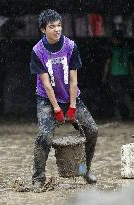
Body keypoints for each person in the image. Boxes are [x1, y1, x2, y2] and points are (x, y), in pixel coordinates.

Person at [30, 9, 98, 192]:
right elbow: (46, 84)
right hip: (46, 99)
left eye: (59, 25)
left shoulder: (70, 46)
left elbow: (74, 80)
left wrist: (73, 106)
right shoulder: (37, 51)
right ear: (43, 29)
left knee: (92, 130)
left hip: (70, 97)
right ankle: (38, 178)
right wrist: (57, 110)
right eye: (52, 26)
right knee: (44, 136)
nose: (57, 29)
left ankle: (85, 170)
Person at [102, 30, 134, 120]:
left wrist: (104, 76)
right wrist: (132, 76)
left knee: (115, 95)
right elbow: (131, 65)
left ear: (114, 39)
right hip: (126, 74)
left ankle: (118, 114)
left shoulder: (112, 50)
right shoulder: (127, 50)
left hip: (115, 75)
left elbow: (107, 63)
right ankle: (131, 112)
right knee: (126, 94)